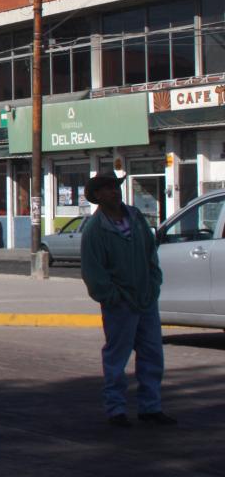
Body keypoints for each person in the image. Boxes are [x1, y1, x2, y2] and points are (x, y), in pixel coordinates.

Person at [80, 168, 174, 428]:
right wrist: (112, 296)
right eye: (108, 187)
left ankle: (150, 407)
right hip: (119, 304)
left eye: (116, 186)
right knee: (117, 357)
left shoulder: (135, 217)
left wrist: (154, 284)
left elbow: (150, 254)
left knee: (152, 354)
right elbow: (93, 271)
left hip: (145, 298)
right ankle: (116, 409)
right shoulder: (95, 229)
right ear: (97, 195)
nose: (114, 191)